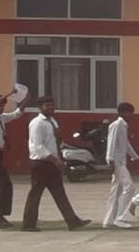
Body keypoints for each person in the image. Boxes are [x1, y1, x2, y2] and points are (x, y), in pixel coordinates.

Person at [21, 96, 89, 232]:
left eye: (52, 105)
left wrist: (59, 157)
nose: (50, 108)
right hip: (41, 163)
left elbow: (56, 141)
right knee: (35, 194)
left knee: (60, 194)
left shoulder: (52, 121)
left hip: (53, 163)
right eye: (47, 105)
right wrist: (54, 159)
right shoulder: (37, 123)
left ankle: (73, 221)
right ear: (40, 107)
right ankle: (28, 224)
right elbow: (37, 146)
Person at [0, 91, 28, 228]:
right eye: (0, 105)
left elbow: (16, 114)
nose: (2, 108)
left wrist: (25, 102)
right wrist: (9, 94)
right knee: (5, 183)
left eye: (3, 106)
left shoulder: (1, 118)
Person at [101, 102, 139, 229]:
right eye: (129, 113)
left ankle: (108, 220)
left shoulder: (124, 126)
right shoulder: (117, 125)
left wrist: (136, 157)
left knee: (116, 192)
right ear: (123, 112)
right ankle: (120, 217)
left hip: (121, 161)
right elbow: (111, 142)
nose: (131, 116)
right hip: (117, 162)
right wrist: (110, 160)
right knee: (130, 187)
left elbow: (126, 144)